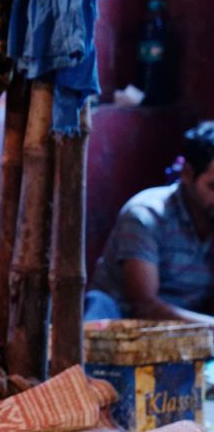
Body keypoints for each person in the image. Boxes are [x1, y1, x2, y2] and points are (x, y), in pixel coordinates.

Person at [85, 121, 214, 328]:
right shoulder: (145, 215)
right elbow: (144, 307)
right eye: (213, 187)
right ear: (187, 174)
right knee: (97, 305)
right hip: (123, 332)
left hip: (186, 337)